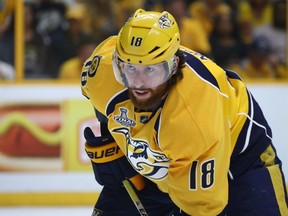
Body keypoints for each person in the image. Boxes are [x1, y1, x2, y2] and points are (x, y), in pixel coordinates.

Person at [81, 9, 288, 215]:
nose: (139, 84)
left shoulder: (193, 119)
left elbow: (202, 207)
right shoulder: (103, 71)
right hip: (167, 166)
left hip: (240, 160)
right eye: (130, 68)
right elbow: (100, 102)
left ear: (174, 66)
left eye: (150, 70)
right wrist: (111, 140)